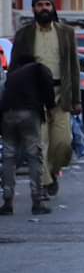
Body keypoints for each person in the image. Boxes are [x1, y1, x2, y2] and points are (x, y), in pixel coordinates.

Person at [10, 0, 81, 198]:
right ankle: (43, 184)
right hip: (34, 95)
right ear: (33, 9)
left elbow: (74, 67)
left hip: (60, 95)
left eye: (47, 4)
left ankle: (53, 171)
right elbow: (15, 67)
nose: (44, 8)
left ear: (53, 7)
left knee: (63, 143)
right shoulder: (24, 34)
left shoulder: (66, 32)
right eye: (39, 5)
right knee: (39, 142)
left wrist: (76, 99)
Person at [0, 53, 55, 215]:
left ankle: (7, 202)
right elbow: (48, 86)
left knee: (8, 156)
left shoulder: (12, 76)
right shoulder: (38, 68)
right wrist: (50, 107)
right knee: (34, 155)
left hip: (7, 114)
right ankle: (37, 201)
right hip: (29, 113)